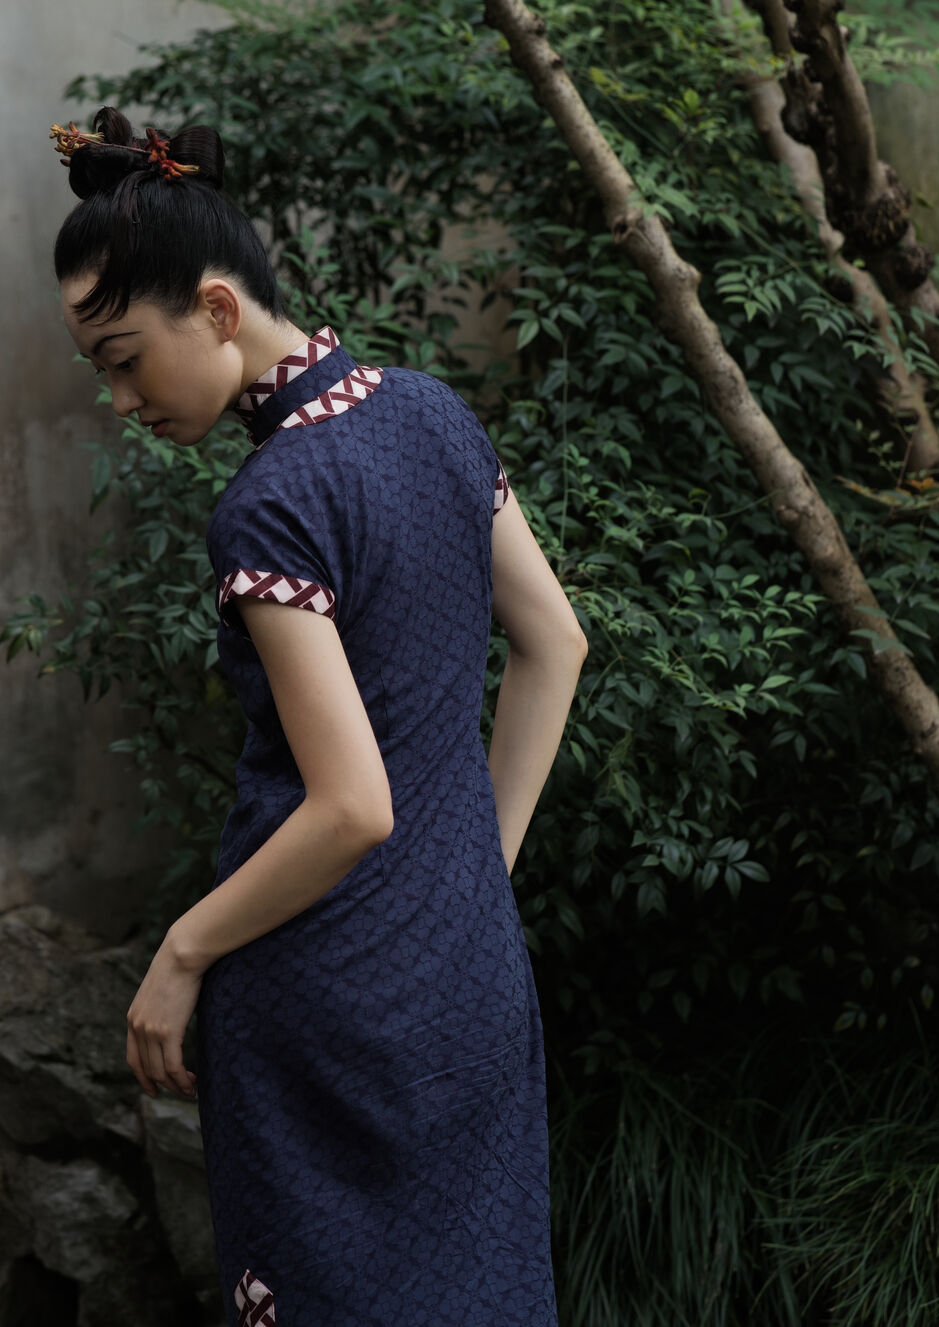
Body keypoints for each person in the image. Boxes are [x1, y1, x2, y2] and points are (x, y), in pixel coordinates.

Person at [51, 105, 588, 1327]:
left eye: (126, 359)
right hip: (468, 974)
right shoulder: (435, 412)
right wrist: (477, 870)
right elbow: (557, 643)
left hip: (330, 1006)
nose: (121, 401)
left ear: (217, 308)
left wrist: (184, 950)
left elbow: (350, 806)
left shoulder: (272, 503)